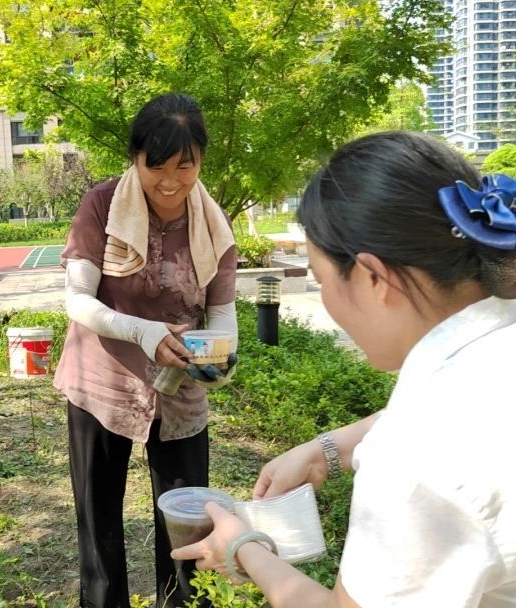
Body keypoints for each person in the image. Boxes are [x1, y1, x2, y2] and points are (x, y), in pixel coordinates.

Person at [172, 131, 516, 607]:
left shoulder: (413, 453)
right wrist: (325, 452)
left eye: (321, 280)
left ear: (374, 278)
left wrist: (242, 547)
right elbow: (473, 413)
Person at [53, 92, 239, 608]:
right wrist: (143, 332)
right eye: (156, 165)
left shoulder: (213, 222)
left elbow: (222, 310)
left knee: (186, 521)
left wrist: (222, 352)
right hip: (101, 383)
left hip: (179, 389)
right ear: (135, 158)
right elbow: (78, 300)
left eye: (186, 165)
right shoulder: (101, 206)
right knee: (99, 520)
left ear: (201, 160)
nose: (171, 180)